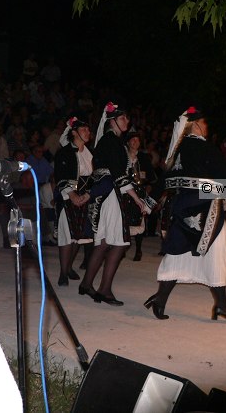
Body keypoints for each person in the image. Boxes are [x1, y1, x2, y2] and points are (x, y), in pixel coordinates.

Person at [144, 106, 226, 321]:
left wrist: (148, 202)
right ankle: (221, 306)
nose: (207, 127)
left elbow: (164, 179)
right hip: (206, 207)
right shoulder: (205, 148)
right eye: (204, 123)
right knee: (217, 251)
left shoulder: (177, 150)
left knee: (178, 253)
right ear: (196, 125)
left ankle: (161, 299)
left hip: (182, 207)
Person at [78, 102, 147, 306]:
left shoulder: (111, 141)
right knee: (118, 243)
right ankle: (104, 290)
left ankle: (87, 284)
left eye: (126, 117)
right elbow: (117, 174)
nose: (127, 121)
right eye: (123, 118)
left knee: (106, 242)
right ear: (112, 121)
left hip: (109, 194)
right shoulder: (112, 142)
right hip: (111, 196)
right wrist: (137, 199)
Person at [53, 117, 94, 286]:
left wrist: (88, 195)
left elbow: (93, 177)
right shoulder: (65, 152)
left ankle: (69, 267)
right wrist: (72, 195)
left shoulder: (90, 154)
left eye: (88, 130)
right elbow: (60, 176)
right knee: (66, 235)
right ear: (74, 133)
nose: (88, 132)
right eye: (84, 130)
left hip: (84, 199)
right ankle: (63, 273)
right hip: (67, 197)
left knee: (79, 235)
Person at [125, 131, 158, 261]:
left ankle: (138, 249)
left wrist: (147, 192)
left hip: (139, 194)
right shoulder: (123, 156)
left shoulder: (143, 158)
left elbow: (152, 178)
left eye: (137, 140)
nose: (135, 142)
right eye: (132, 139)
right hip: (124, 193)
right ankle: (123, 247)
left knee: (139, 221)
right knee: (124, 221)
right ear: (128, 142)